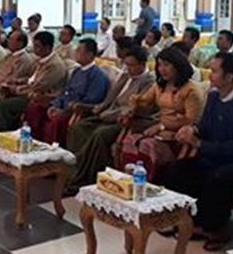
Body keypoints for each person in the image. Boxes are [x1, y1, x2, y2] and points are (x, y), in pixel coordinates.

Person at [161, 51, 233, 251]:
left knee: (218, 176)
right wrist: (192, 130)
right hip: (215, 155)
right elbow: (205, 126)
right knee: (180, 169)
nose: (210, 75)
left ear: (229, 77)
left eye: (215, 71)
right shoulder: (214, 97)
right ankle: (184, 218)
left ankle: (216, 229)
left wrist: (200, 144)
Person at [64, 46, 155, 192]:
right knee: (79, 127)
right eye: (126, 65)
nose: (128, 68)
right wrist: (100, 108)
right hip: (108, 112)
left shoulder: (148, 81)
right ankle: (73, 169)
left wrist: (110, 115)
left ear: (142, 64)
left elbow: (133, 108)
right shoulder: (125, 76)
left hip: (123, 120)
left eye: (132, 65)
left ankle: (86, 177)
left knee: (100, 134)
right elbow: (110, 97)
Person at [117, 46, 203, 181]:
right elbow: (143, 101)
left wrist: (161, 126)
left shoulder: (191, 90)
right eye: (159, 65)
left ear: (178, 66)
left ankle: (148, 183)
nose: (162, 69)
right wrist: (132, 108)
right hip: (158, 131)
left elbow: (190, 120)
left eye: (166, 65)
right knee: (130, 140)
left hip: (178, 135)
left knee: (147, 145)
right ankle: (127, 182)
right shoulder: (160, 86)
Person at [26, 38, 110, 144]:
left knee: (57, 121)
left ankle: (53, 149)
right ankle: (32, 142)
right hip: (63, 105)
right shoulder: (77, 71)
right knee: (35, 109)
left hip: (76, 110)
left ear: (89, 54)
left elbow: (92, 100)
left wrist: (64, 110)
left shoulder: (97, 75)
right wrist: (55, 105)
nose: (75, 52)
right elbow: (65, 91)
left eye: (79, 50)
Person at [0, 31, 69, 133]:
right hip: (28, 93)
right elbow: (30, 79)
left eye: (37, 46)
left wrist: (13, 89)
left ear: (47, 48)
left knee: (2, 106)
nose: (34, 49)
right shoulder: (41, 60)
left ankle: (1, 133)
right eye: (34, 45)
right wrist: (15, 82)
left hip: (41, 98)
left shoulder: (54, 65)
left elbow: (38, 86)